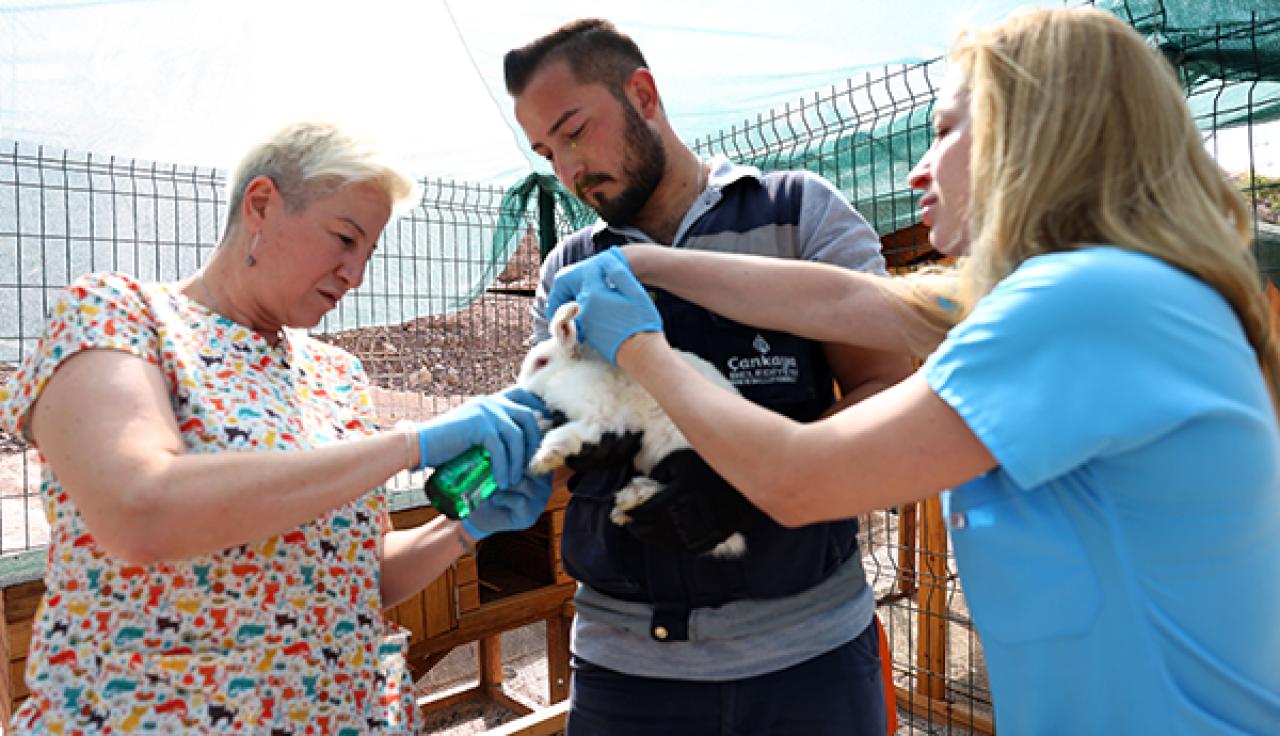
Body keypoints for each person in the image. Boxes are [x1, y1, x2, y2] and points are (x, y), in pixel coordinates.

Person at [544, 7, 1280, 734]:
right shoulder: (1112, 287)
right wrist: (643, 263)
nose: (918, 169)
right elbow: (848, 297)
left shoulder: (1077, 306)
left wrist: (639, 344)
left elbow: (801, 481)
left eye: (946, 131)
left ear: (1036, 134)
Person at [0, 122, 551, 733]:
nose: (355, 274)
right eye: (344, 238)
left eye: (368, 254)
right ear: (260, 205)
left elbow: (358, 574)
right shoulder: (119, 317)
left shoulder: (334, 372)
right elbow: (141, 510)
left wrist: (465, 530)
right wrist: (409, 445)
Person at [504, 18, 913, 736]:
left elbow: (892, 393)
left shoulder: (798, 214)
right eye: (545, 152)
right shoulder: (565, 268)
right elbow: (551, 435)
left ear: (643, 95)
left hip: (809, 650)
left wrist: (755, 481)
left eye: (573, 133)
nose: (566, 172)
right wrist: (583, 445)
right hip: (626, 668)